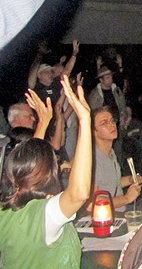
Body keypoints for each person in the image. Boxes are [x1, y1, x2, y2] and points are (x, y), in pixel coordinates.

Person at [0, 75, 91, 268]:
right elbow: (78, 194)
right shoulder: (44, 216)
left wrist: (43, 123)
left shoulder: (5, 209)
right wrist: (84, 121)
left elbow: (32, 162)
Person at [91, 106, 142, 212]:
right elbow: (92, 202)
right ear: (93, 131)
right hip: (103, 218)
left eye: (112, 120)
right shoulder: (93, 160)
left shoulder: (110, 153)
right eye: (104, 123)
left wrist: (130, 180)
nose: (111, 125)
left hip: (117, 213)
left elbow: (109, 183)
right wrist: (126, 198)